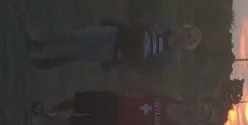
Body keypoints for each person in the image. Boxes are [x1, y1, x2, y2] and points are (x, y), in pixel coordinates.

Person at [28, 19, 202, 75]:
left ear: (188, 47)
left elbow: (143, 68)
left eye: (189, 41)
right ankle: (42, 44)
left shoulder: (167, 59)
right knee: (77, 36)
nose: (186, 38)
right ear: (185, 29)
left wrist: (138, 55)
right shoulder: (165, 26)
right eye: (188, 33)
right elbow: (139, 21)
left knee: (78, 55)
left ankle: (48, 63)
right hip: (117, 33)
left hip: (116, 52)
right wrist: (147, 25)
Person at [30, 92, 210, 125]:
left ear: (197, 120)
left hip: (118, 123)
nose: (198, 109)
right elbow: (149, 92)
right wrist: (131, 93)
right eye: (201, 106)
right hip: (118, 102)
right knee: (80, 101)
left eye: (201, 113)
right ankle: (51, 109)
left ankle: (42, 122)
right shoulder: (174, 96)